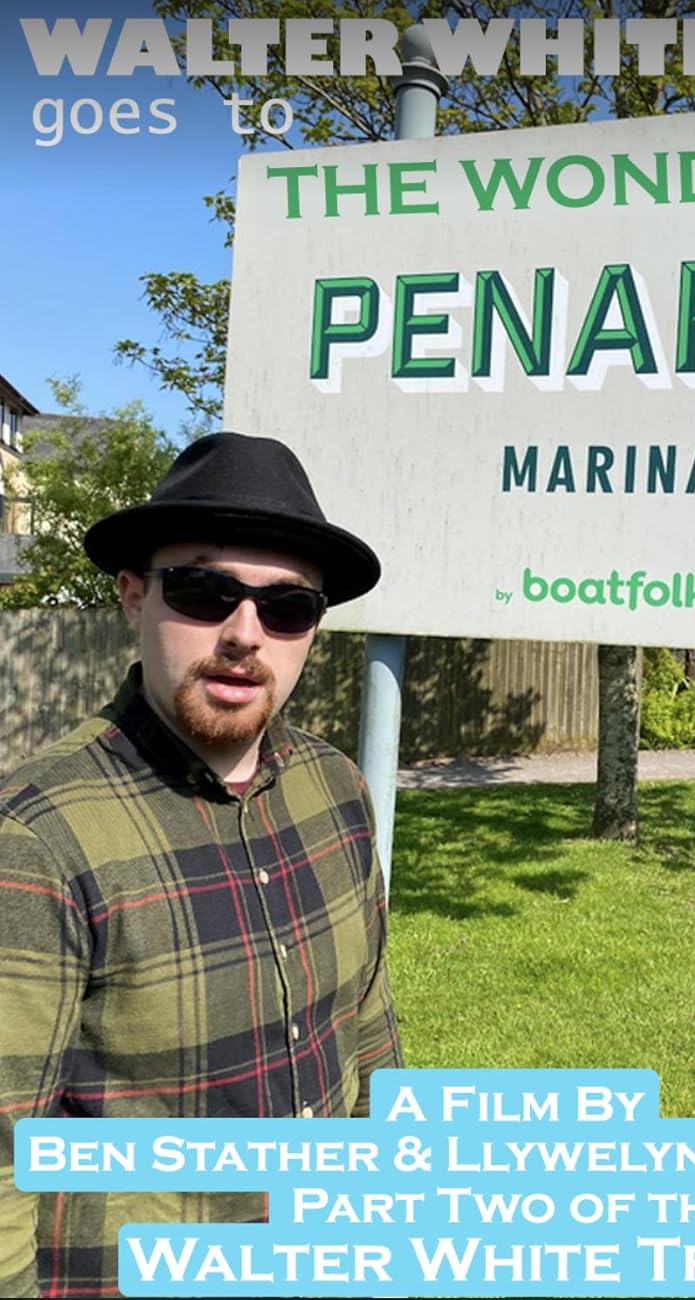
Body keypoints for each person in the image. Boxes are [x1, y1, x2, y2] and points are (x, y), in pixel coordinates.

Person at [0, 431, 402, 1297]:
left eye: (287, 606)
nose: (245, 633)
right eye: (203, 590)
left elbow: (367, 1027)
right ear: (133, 596)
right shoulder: (34, 839)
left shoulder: (337, 789)